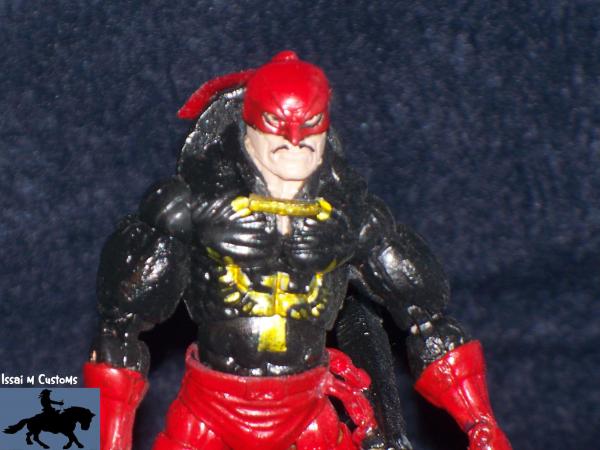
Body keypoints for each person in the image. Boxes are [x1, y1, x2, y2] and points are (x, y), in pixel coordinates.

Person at [84, 51, 512, 450]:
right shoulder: (188, 207)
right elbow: (119, 328)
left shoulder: (350, 218)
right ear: (249, 126)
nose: (293, 142)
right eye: (277, 126)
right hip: (209, 410)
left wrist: (481, 424)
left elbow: (427, 318)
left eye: (308, 128)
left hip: (308, 412)